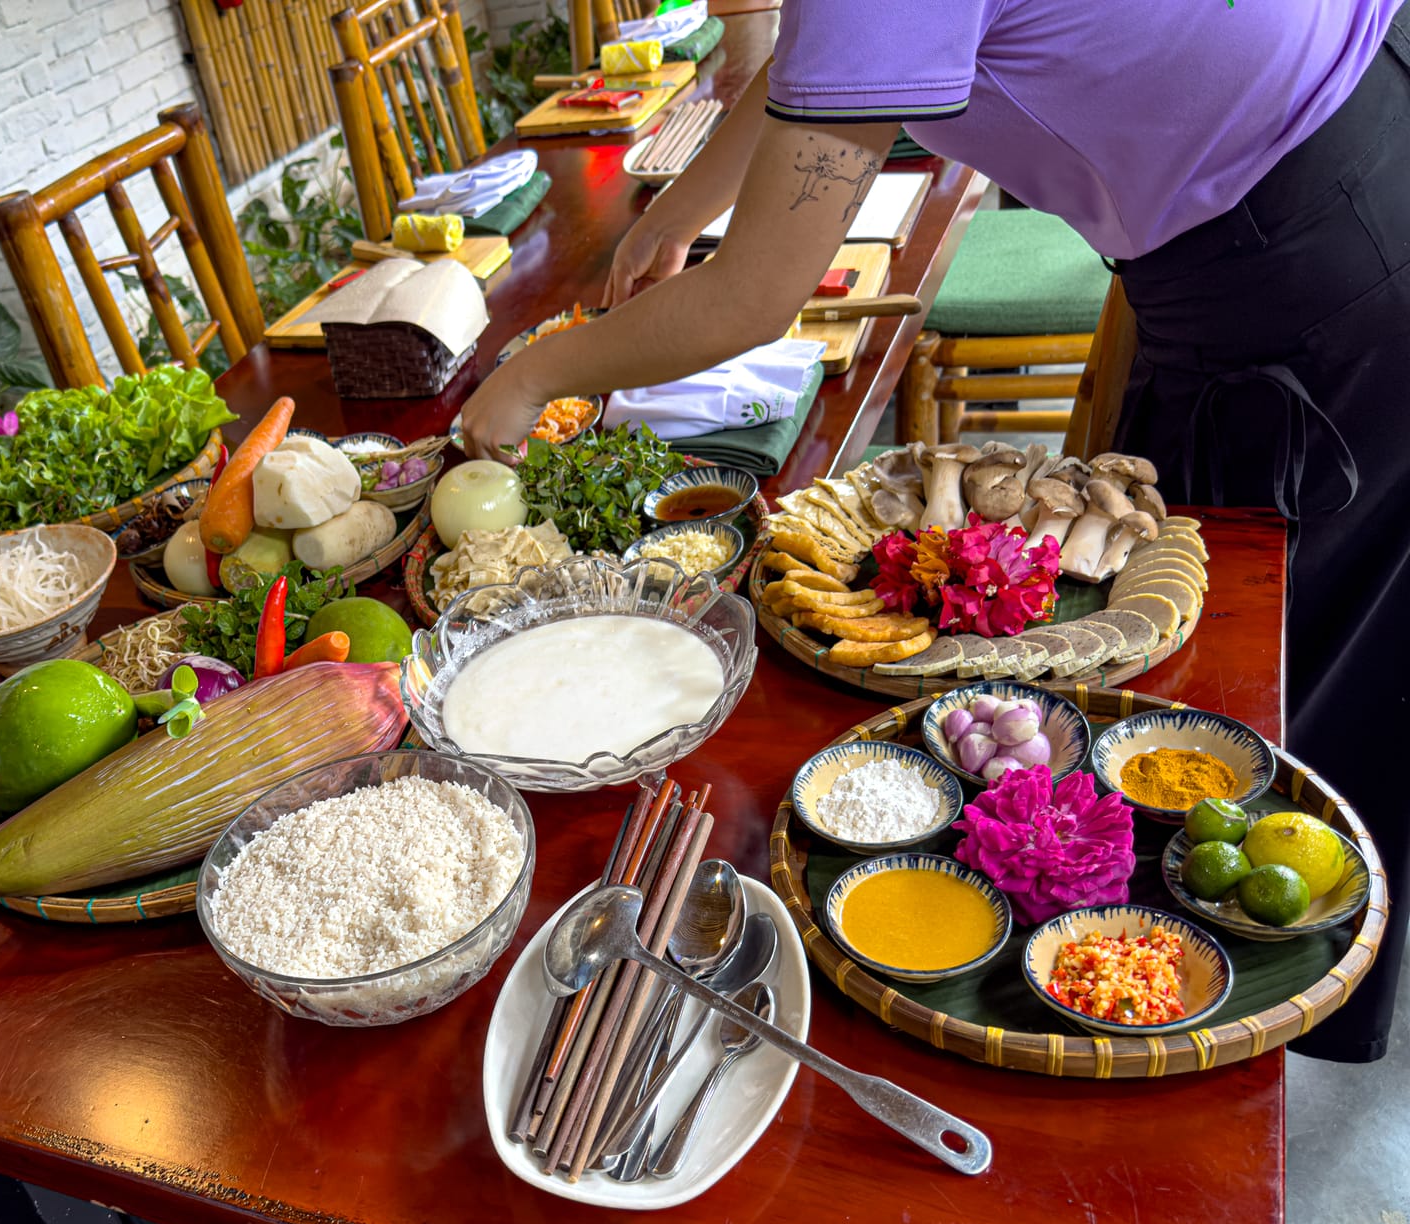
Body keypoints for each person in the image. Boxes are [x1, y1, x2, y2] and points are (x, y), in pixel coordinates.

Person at [461, 1, 1408, 1063]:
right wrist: (675, 214)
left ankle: (1230, 1027)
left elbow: (753, 297)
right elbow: (806, 71)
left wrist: (531, 374)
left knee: (1240, 692)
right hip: (1330, 161)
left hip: (1306, 265)